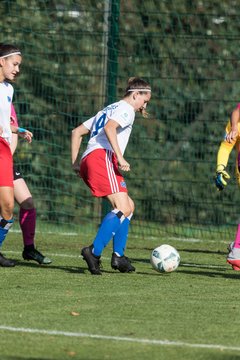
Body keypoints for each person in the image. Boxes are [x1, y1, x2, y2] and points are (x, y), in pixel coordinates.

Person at [71, 77, 151, 275]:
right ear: (135, 94)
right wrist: (120, 156)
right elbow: (109, 129)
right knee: (122, 207)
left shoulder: (109, 108)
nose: (145, 104)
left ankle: (118, 257)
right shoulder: (126, 109)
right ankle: (93, 252)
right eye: (145, 99)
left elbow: (76, 132)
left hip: (92, 158)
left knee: (129, 207)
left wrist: (75, 163)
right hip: (102, 157)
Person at [0, 43, 33, 267]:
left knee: (8, 207)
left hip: (2, 148)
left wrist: (17, 130)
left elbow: (4, 123)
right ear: (1, 61)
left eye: (19, 65)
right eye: (15, 64)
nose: (17, 69)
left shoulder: (8, 89)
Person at [10, 104, 52, 265]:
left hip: (6, 160)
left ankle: (29, 249)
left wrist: (19, 133)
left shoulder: (8, 98)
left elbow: (10, 128)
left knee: (27, 203)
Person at [214, 103, 240, 270]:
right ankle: (237, 250)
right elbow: (226, 146)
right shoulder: (236, 124)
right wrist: (220, 168)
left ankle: (236, 246)